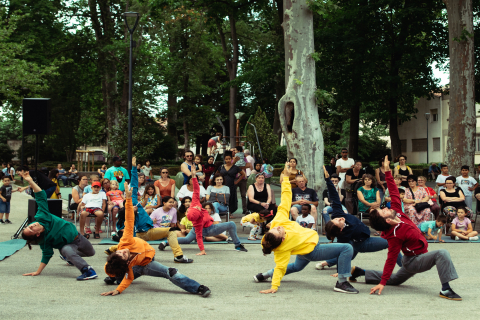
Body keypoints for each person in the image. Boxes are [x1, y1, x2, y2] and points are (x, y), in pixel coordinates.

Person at [357, 155, 462, 301]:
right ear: (386, 220)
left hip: (410, 260)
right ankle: (446, 289)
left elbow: (393, 192)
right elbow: (391, 259)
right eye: (383, 211)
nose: (385, 208)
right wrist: (382, 283)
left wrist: (388, 172)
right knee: (441, 253)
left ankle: (361, 272)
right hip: (414, 260)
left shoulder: (397, 212)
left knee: (394, 280)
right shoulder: (394, 235)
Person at [253, 163, 358, 294]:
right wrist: (274, 287)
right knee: (347, 248)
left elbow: (285, 198)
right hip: (312, 249)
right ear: (283, 238)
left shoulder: (277, 223)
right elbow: (280, 267)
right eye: (279, 231)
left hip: (302, 247)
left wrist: (285, 179)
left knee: (297, 267)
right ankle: (342, 282)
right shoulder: (282, 250)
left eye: (274, 228)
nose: (278, 227)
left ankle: (264, 275)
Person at [102, 182, 211, 298]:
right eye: (123, 255)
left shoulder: (125, 242)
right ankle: (116, 278)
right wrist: (118, 290)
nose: (123, 251)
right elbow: (129, 278)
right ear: (126, 262)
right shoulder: (127, 266)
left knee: (171, 272)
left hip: (147, 262)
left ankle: (198, 288)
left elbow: (129, 220)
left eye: (119, 252)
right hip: (133, 266)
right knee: (121, 279)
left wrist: (128, 200)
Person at [317, 167, 402, 271]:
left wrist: (328, 180)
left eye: (336, 219)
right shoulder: (342, 238)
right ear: (340, 230)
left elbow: (334, 196)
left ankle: (326, 263)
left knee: (349, 253)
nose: (340, 218)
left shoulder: (337, 213)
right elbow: (340, 251)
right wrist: (340, 272)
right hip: (363, 243)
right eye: (338, 221)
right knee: (391, 243)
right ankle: (404, 267)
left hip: (357, 239)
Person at [20, 171, 97, 281]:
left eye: (29, 226)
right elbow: (46, 255)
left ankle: (70, 258)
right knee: (66, 250)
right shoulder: (45, 240)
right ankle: (87, 270)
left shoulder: (42, 216)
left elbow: (41, 196)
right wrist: (38, 272)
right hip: (67, 246)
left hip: (78, 237)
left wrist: (30, 181)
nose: (31, 225)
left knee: (91, 253)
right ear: (37, 234)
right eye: (31, 229)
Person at [125, 157, 192, 263]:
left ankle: (178, 256)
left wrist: (134, 168)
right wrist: (131, 212)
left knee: (171, 231)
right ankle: (111, 251)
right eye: (126, 192)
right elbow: (127, 228)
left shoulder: (134, 200)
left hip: (150, 231)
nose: (129, 192)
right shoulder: (127, 210)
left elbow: (133, 183)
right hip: (137, 235)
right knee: (124, 244)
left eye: (129, 191)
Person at [177, 164, 248, 254]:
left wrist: (194, 176)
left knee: (187, 240)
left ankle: (166, 242)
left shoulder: (194, 203)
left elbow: (196, 189)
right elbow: (199, 238)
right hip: (209, 229)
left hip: (203, 228)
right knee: (231, 224)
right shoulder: (197, 221)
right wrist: (202, 250)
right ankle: (237, 245)